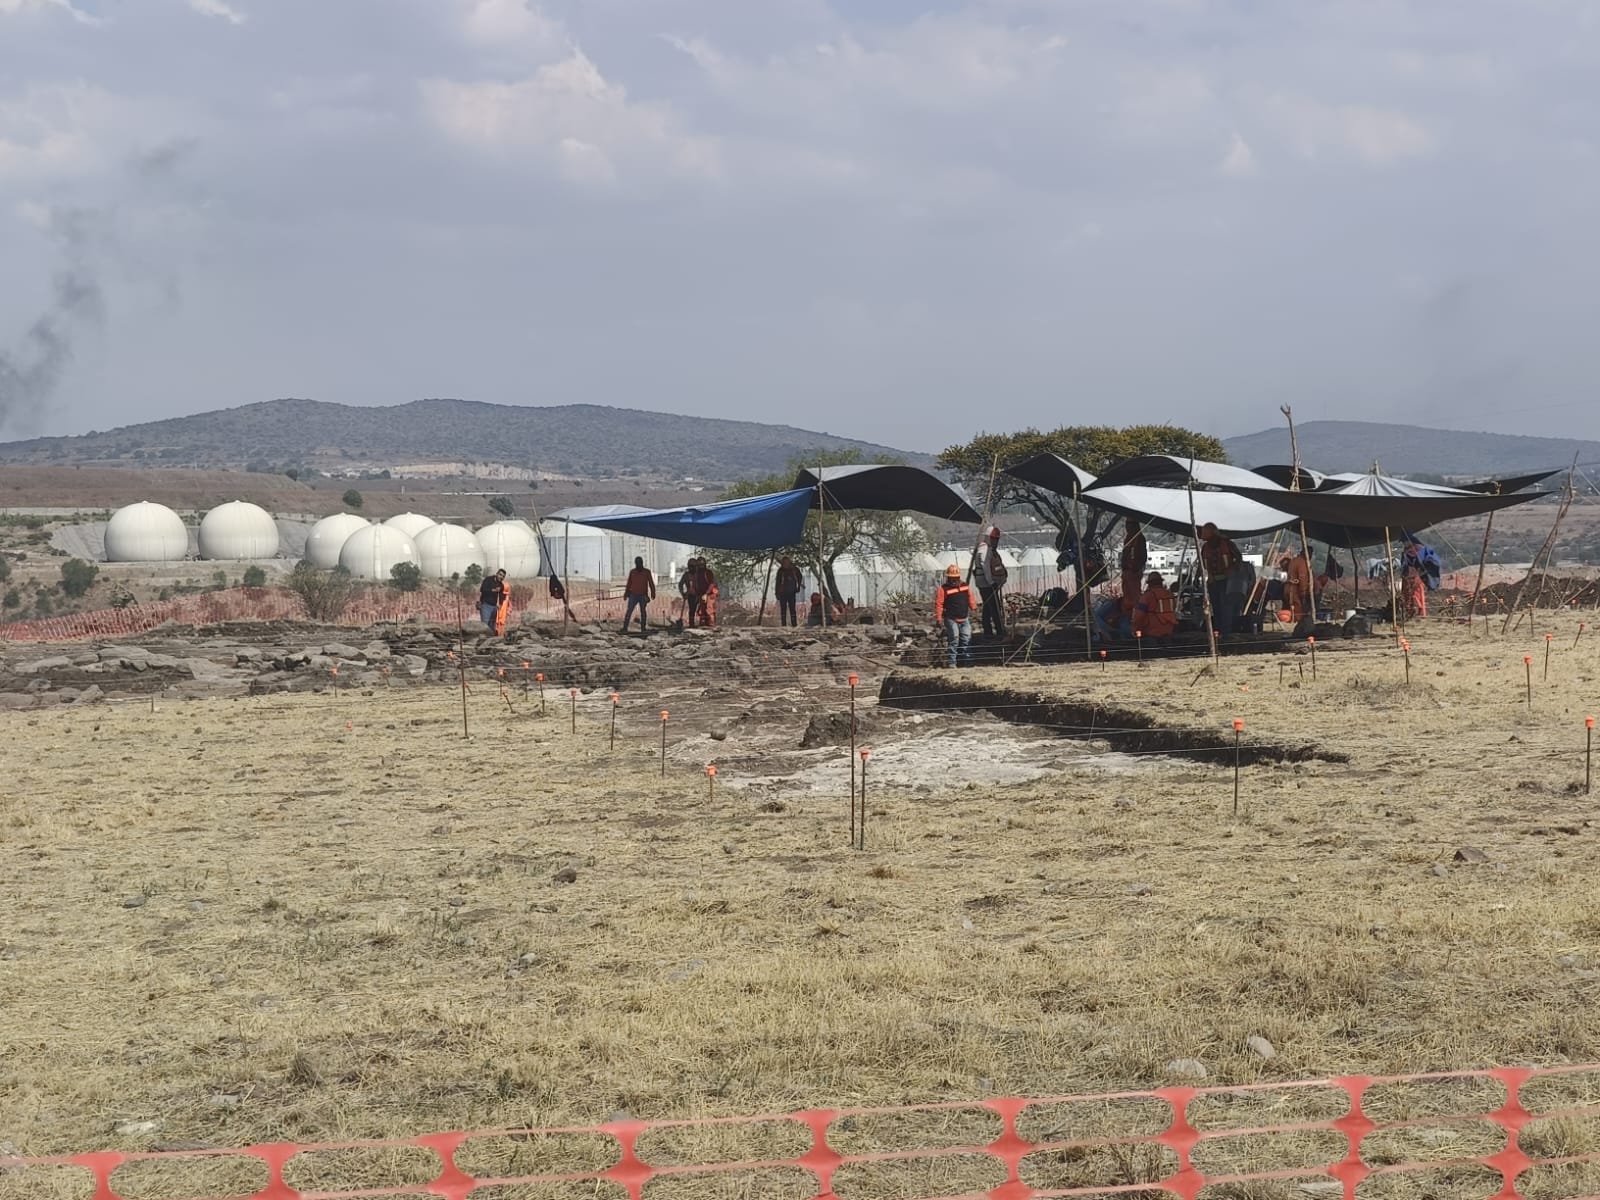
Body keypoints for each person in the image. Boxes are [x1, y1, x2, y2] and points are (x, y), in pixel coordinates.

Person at [1198, 522, 1243, 635]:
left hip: (1228, 582)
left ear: (1212, 532)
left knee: (1226, 607)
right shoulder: (1205, 547)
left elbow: (1238, 559)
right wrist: (1199, 577)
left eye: (1204, 531)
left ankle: (1227, 632)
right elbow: (1202, 564)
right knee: (1216, 607)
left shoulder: (1227, 544)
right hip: (1213, 581)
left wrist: (1230, 570)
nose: (1201, 534)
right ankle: (1218, 631)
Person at [933, 564, 977, 668]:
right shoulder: (943, 589)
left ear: (958, 577)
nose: (953, 580)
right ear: (948, 578)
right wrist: (939, 618)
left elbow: (970, 597)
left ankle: (967, 662)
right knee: (954, 640)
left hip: (964, 618)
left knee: (966, 640)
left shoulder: (965, 586)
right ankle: (952, 663)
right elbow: (939, 604)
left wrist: (974, 607)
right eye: (951, 578)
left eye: (955, 578)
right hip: (951, 619)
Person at [973, 527, 1009, 639]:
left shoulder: (989, 549)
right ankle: (998, 630)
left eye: (996, 539)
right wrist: (991, 581)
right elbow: (985, 566)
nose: (995, 541)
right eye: (993, 539)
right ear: (989, 538)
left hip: (988, 581)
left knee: (988, 606)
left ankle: (988, 630)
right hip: (986, 582)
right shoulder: (984, 549)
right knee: (994, 606)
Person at [1132, 571, 1179, 643]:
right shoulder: (1169, 594)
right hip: (1168, 630)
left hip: (1152, 632)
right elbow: (1174, 608)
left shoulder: (1147, 596)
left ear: (1149, 583)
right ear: (1161, 582)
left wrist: (1135, 629)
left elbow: (1138, 616)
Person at [622, 556, 655, 634]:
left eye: (640, 563)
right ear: (636, 564)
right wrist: (626, 593)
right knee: (629, 611)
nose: (639, 565)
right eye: (637, 563)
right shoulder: (632, 572)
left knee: (643, 612)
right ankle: (625, 627)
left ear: (642, 563)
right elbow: (629, 583)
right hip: (633, 595)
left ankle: (643, 628)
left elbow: (651, 583)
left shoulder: (647, 572)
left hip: (643, 595)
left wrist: (653, 592)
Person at [1281, 547, 1312, 625]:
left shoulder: (1294, 560)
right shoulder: (1302, 562)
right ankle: (1297, 622)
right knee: (1298, 607)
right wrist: (1304, 592)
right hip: (1294, 590)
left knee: (1289, 607)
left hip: (1287, 588)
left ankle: (1289, 620)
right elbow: (1303, 579)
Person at [774, 556, 804, 627]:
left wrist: (798, 587)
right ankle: (783, 625)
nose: (785, 564)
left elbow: (800, 577)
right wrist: (777, 593)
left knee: (792, 609)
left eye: (786, 562)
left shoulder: (794, 569)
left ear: (789, 562)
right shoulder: (781, 571)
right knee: (783, 610)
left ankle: (794, 624)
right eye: (783, 563)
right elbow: (777, 582)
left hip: (791, 592)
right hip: (782, 593)